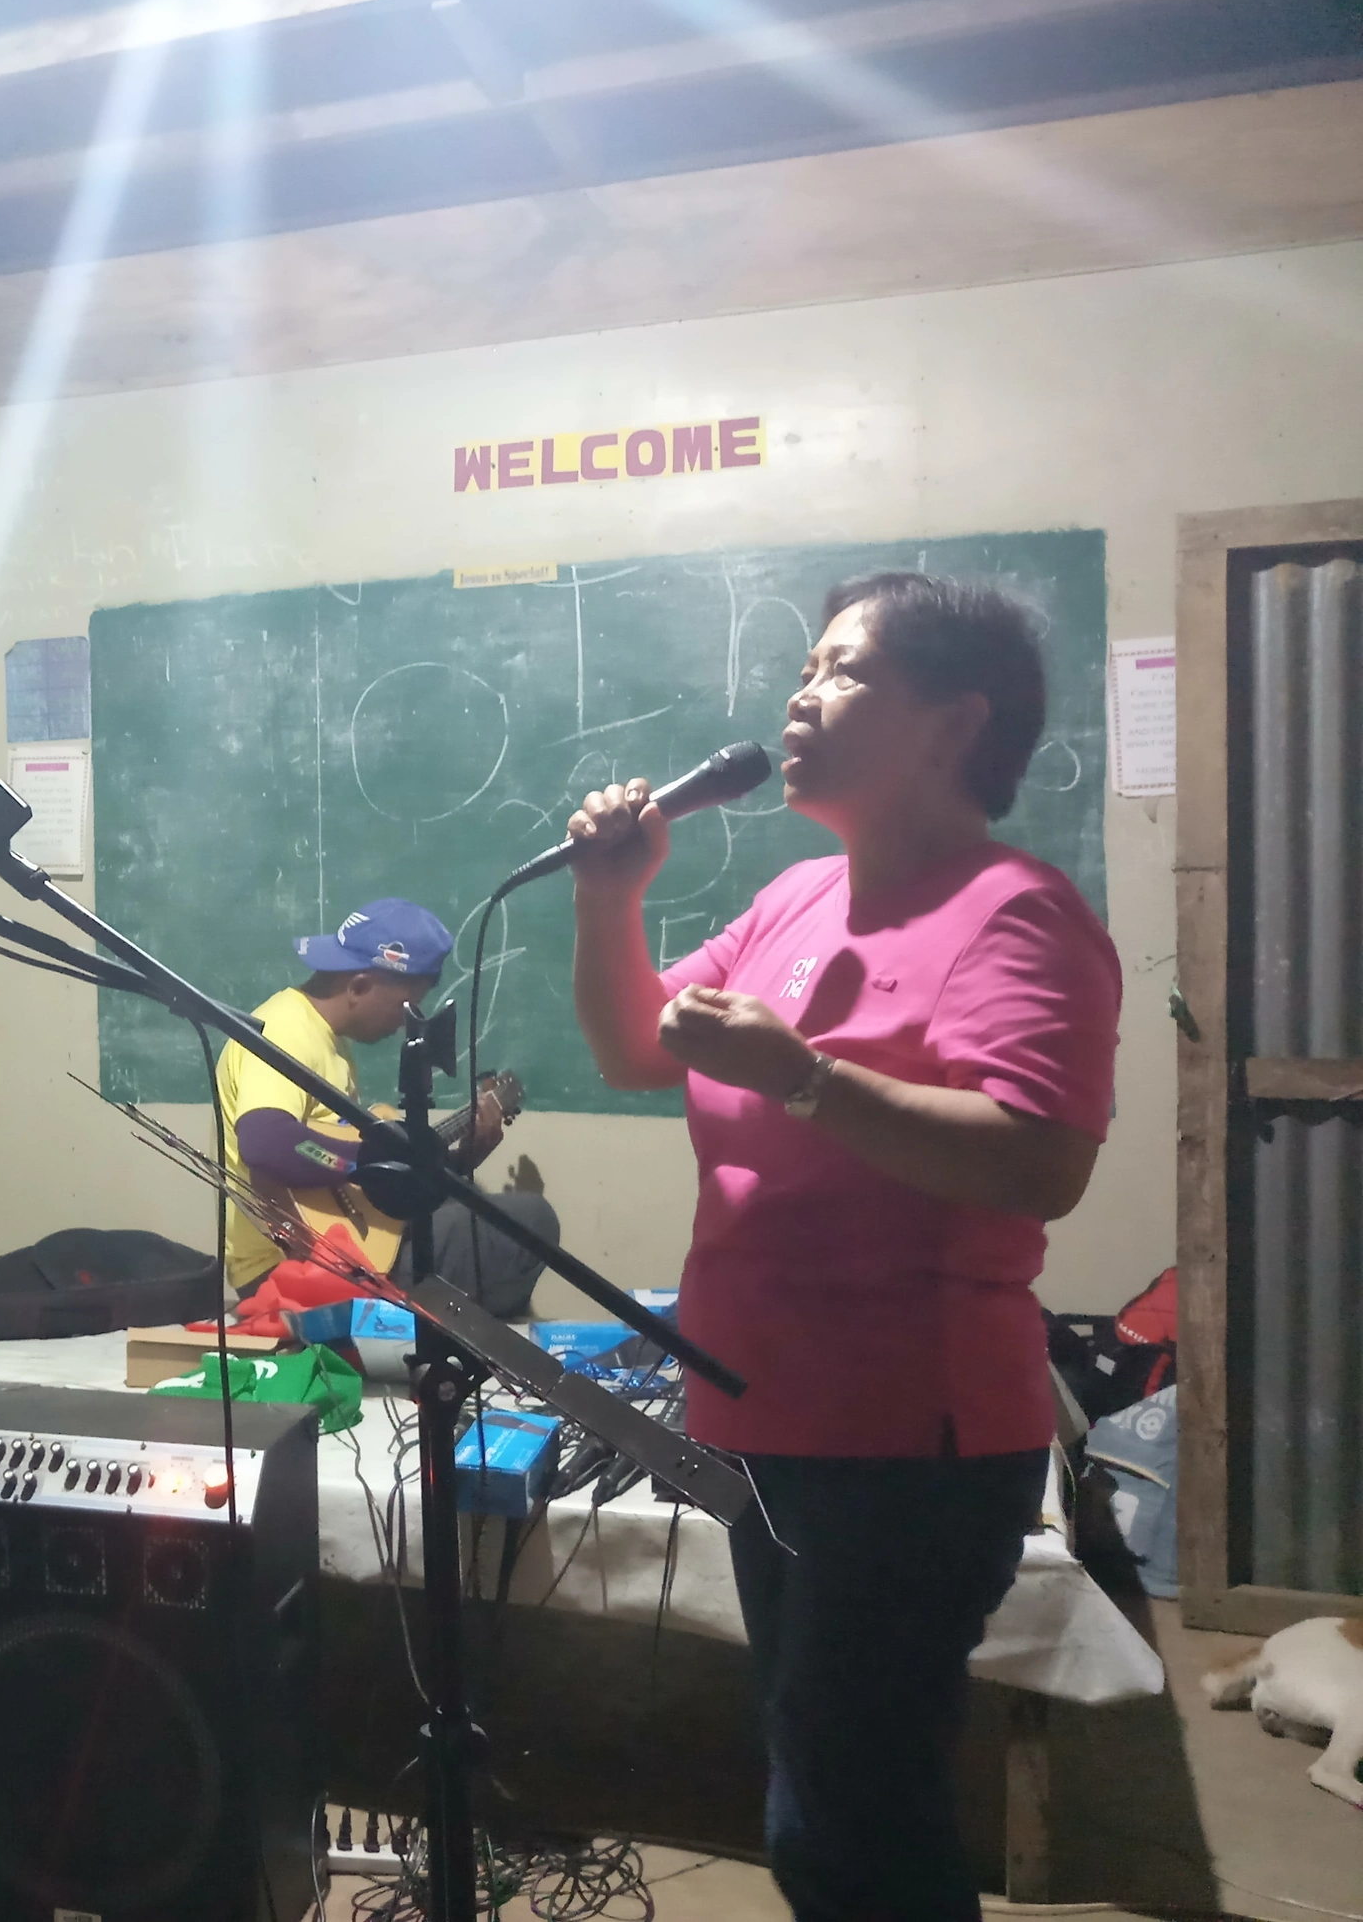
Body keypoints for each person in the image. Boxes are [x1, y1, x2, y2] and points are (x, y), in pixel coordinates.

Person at [564, 571, 1120, 1922]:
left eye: (844, 669)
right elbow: (636, 1045)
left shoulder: (1015, 911)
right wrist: (609, 901)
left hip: (903, 1442)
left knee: (846, 1817)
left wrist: (807, 1078)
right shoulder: (797, 898)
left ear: (954, 721)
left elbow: (1038, 1161)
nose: (799, 696)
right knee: (827, 1778)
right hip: (771, 1419)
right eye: (804, 668)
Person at [215, 898, 550, 1317]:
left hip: (339, 1256)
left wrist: (459, 1159)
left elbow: (360, 1191)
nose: (406, 1021)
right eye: (406, 1005)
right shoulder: (285, 1030)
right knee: (532, 1219)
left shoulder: (327, 1042)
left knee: (473, 1209)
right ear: (359, 987)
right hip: (292, 1269)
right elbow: (266, 1143)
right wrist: (374, 1161)